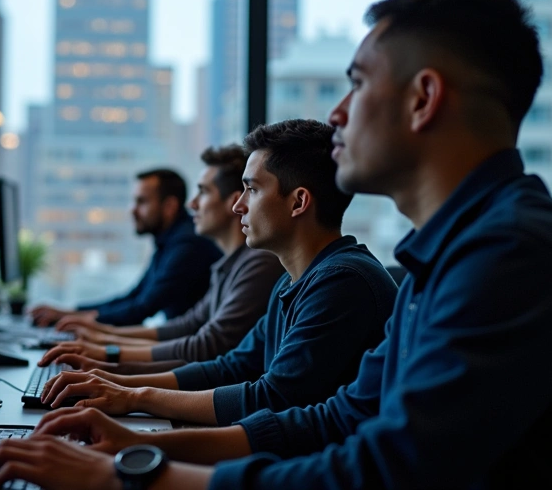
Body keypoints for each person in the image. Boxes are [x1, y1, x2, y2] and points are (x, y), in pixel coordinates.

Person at [0, 0, 552, 489]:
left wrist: (125, 473)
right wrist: (132, 439)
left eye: (357, 83)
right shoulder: (439, 259)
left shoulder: (514, 256)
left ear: (424, 99)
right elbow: (337, 419)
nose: (336, 115)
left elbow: (382, 472)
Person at [35, 119, 397, 427]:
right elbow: (232, 366)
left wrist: (132, 393)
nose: (238, 205)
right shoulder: (293, 279)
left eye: (251, 190)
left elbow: (271, 398)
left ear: (299, 202)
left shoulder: (342, 283)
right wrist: (115, 380)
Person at [41, 145, 284, 371]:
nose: (192, 204)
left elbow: (202, 344)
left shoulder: (231, 256)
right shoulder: (227, 263)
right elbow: (185, 325)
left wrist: (107, 353)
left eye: (203, 192)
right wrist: (101, 338)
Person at [29, 168, 223, 328]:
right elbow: (134, 296)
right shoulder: (170, 240)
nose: (132, 209)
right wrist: (69, 312)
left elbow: (141, 309)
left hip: (192, 355)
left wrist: (73, 320)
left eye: (142, 202)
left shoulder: (187, 245)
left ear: (169, 206)